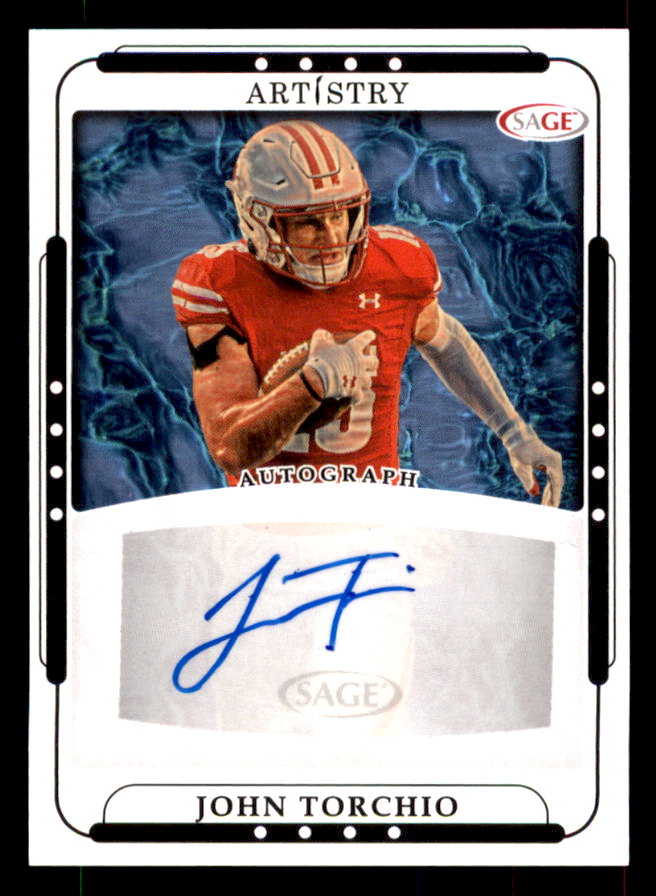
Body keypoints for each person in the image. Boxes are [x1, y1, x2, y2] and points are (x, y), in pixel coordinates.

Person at [171, 119, 563, 505]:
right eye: (307, 222)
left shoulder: (397, 265)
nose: (333, 237)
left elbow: (443, 339)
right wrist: (310, 385)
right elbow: (231, 449)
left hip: (376, 511)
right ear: (259, 221)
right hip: (268, 515)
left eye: (339, 215)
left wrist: (515, 434)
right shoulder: (220, 281)